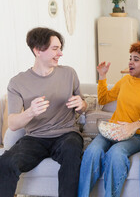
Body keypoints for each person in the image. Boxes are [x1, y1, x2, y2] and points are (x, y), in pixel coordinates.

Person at [0, 27, 87, 197]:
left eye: (60, 48)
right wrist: (31, 112)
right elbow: (13, 123)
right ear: (37, 50)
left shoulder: (69, 73)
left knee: (71, 153)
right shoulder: (17, 83)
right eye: (55, 49)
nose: (60, 53)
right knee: (5, 163)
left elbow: (83, 105)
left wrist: (81, 104)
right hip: (35, 138)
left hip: (66, 134)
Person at [78, 42, 140, 197]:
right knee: (91, 152)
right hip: (111, 130)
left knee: (115, 154)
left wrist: (134, 125)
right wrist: (102, 76)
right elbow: (104, 98)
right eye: (130, 58)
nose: (130, 62)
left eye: (136, 59)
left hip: (136, 135)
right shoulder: (125, 81)